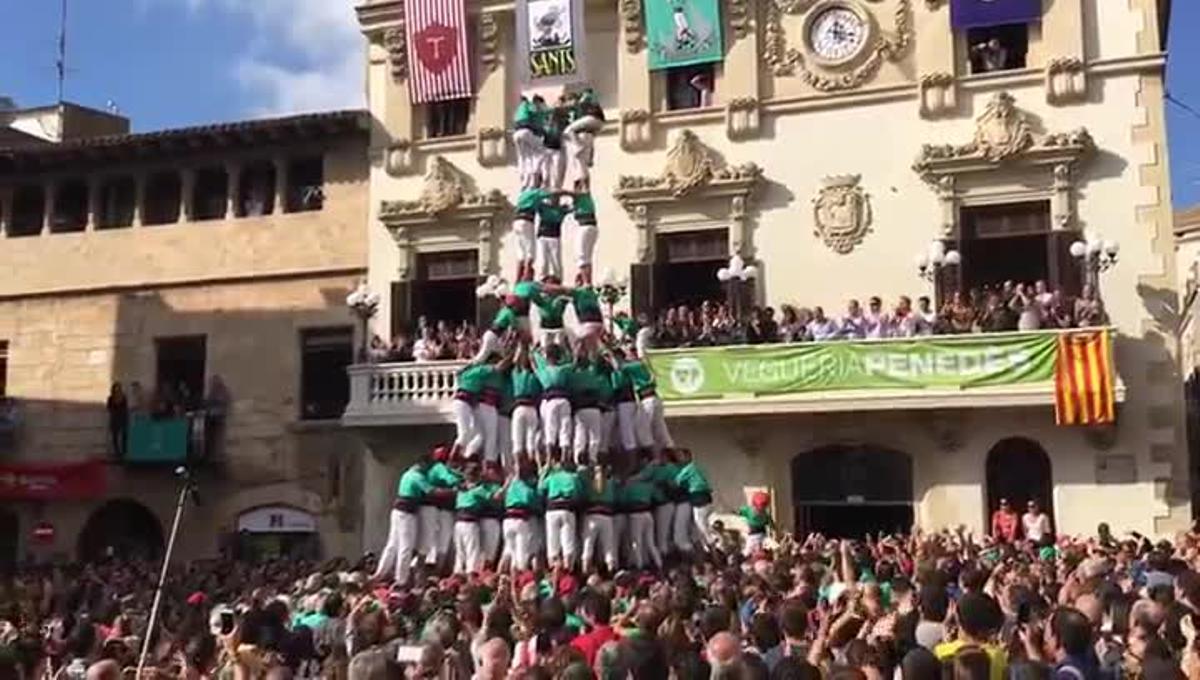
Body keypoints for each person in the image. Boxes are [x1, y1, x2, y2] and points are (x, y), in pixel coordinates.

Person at [373, 456, 433, 585]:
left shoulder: (407, 474)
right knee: (406, 546)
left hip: (397, 511)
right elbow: (431, 491)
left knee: (392, 545)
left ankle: (380, 573)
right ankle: (401, 579)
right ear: (422, 464)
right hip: (407, 513)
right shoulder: (417, 476)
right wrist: (454, 491)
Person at [539, 458, 584, 570]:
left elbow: (540, 489)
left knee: (552, 541)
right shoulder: (574, 477)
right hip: (567, 508)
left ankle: (553, 568)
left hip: (552, 508)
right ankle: (568, 568)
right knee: (568, 542)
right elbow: (579, 493)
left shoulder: (552, 476)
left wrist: (544, 472)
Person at [673, 448, 714, 555]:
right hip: (705, 497)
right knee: (700, 524)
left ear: (688, 457)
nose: (678, 458)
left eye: (681, 456)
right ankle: (708, 544)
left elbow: (676, 482)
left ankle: (711, 543)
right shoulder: (697, 467)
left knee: (699, 523)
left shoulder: (687, 469)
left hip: (698, 496)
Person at [502, 461, 541, 571]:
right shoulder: (528, 490)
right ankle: (520, 579)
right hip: (521, 520)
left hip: (507, 520)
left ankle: (510, 578)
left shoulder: (512, 485)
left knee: (511, 553)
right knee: (522, 555)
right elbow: (535, 504)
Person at [580, 465, 618, 574]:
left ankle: (585, 572)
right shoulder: (610, 484)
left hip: (591, 516)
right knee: (608, 547)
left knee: (588, 545)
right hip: (607, 517)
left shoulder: (589, 484)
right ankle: (611, 571)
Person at [513, 95, 547, 190]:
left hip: (517, 134)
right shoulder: (531, 106)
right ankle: (534, 180)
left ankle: (524, 182)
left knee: (523, 157)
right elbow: (539, 120)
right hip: (527, 132)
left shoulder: (519, 109)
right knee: (540, 154)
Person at [738, 491, 773, 556]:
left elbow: (770, 523)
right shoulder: (748, 510)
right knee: (747, 552)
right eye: (758, 507)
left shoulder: (765, 514)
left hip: (762, 535)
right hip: (753, 535)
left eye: (763, 507)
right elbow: (740, 512)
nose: (760, 510)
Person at [106, 383, 129, 458]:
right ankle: (117, 452)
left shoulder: (123, 397)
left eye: (118, 388)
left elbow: (125, 408)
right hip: (115, 418)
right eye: (116, 388)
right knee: (115, 436)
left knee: (125, 435)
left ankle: (124, 451)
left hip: (123, 418)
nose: (117, 390)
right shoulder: (110, 398)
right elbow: (108, 407)